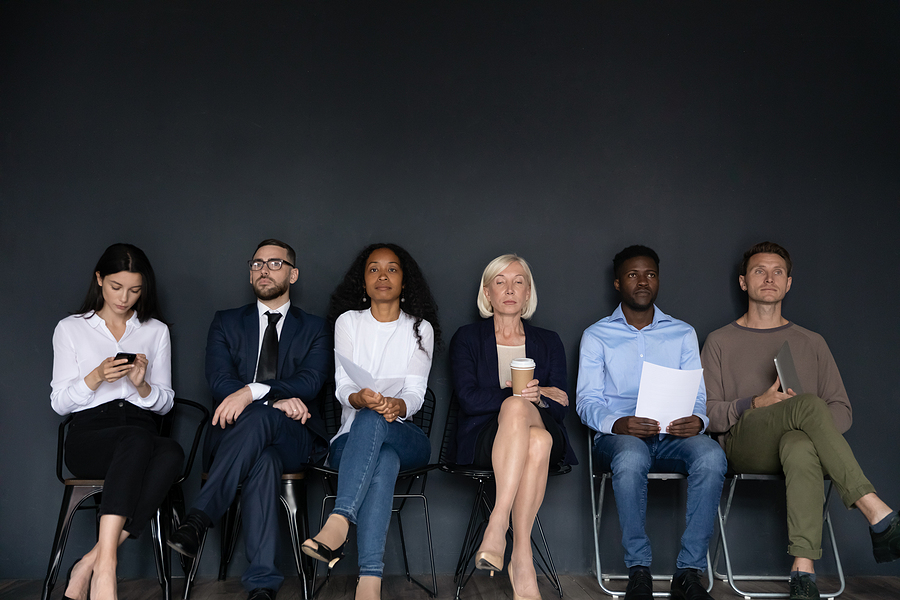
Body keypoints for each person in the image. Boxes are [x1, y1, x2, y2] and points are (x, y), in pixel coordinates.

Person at [701, 241, 900, 600]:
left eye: (778, 272)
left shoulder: (812, 342)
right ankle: (877, 512)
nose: (769, 278)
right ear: (744, 282)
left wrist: (799, 419)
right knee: (807, 405)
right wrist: (756, 402)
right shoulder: (719, 341)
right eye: (759, 271)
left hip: (799, 446)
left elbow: (841, 410)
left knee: (800, 443)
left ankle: (803, 573)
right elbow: (707, 414)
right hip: (744, 444)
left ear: (789, 283)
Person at [167, 239, 331, 600]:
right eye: (256, 263)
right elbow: (220, 380)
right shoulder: (225, 322)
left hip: (295, 435)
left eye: (274, 263)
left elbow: (311, 381)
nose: (263, 270)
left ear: (294, 272)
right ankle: (261, 585)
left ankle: (198, 520)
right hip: (238, 436)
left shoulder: (316, 327)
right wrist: (272, 399)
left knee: (259, 420)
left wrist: (252, 392)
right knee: (263, 459)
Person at [576, 245, 726, 600]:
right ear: (617, 283)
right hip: (619, 440)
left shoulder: (683, 333)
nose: (643, 282)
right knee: (631, 456)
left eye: (650, 274)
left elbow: (699, 397)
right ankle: (638, 571)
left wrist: (698, 420)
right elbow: (587, 402)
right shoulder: (597, 335)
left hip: (673, 435)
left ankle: (688, 573)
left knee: (712, 456)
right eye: (633, 275)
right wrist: (619, 423)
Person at [301, 243, 441, 600]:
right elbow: (343, 385)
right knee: (381, 454)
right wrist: (359, 398)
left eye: (392, 269)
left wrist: (397, 405)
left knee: (379, 426)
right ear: (362, 282)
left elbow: (417, 391)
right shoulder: (349, 322)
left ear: (405, 281)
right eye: (374, 269)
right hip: (352, 440)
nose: (383, 276)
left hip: (406, 435)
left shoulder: (420, 329)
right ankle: (370, 581)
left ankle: (339, 520)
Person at [51, 243, 184, 600]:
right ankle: (106, 569)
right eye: (116, 287)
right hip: (89, 436)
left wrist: (142, 386)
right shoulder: (71, 329)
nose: (125, 298)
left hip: (139, 429)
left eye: (135, 290)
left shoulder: (155, 330)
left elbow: (165, 403)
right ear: (99, 280)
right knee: (140, 441)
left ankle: (90, 562)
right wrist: (95, 376)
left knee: (171, 451)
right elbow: (59, 403)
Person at [450, 254, 576, 600]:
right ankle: (522, 557)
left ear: (528, 292)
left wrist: (538, 400)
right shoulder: (467, 338)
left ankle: (497, 524)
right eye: (500, 282)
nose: (509, 289)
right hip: (483, 438)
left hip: (541, 423)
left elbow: (560, 406)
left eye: (518, 281)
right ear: (487, 293)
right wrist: (519, 393)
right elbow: (469, 400)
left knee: (524, 413)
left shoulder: (548, 340)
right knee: (536, 441)